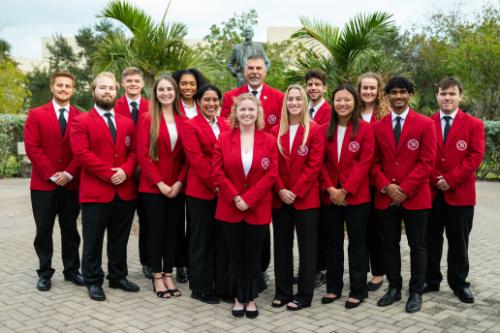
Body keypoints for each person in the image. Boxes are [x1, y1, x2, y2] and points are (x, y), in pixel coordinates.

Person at [70, 72, 139, 301]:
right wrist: (111, 174)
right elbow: (82, 154)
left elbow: (134, 152)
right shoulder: (80, 121)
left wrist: (126, 171)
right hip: (96, 193)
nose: (107, 91)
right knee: (93, 240)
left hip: (124, 192)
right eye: (102, 88)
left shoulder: (127, 123)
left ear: (116, 92)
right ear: (93, 91)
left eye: (111, 88)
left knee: (119, 238)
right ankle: (93, 280)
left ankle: (118, 277)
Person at [371, 76, 436, 313]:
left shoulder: (425, 124)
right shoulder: (378, 127)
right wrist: (387, 187)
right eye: (394, 92)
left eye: (402, 92)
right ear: (387, 96)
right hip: (386, 196)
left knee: (418, 245)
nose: (398, 96)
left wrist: (405, 189)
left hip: (416, 197)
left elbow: (427, 162)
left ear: (410, 94)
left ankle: (416, 291)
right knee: (390, 245)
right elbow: (373, 163)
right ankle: (394, 288)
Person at [212, 93, 278, 318]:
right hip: (230, 207)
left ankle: (251, 299)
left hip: (258, 207)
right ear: (235, 113)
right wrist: (235, 197)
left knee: (252, 255)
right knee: (235, 254)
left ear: (258, 112)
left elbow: (272, 174)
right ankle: (238, 298)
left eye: (251, 109)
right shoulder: (223, 138)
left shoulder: (268, 139)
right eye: (243, 110)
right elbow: (217, 172)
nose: (247, 113)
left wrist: (249, 198)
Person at [221, 54, 284, 282]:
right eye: (250, 68)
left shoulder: (278, 97)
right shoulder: (231, 97)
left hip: (263, 174)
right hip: (236, 169)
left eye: (259, 67)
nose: (255, 71)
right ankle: (239, 280)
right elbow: (225, 129)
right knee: (236, 240)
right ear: (244, 70)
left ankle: (261, 270)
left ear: (265, 69)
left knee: (261, 233)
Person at [425, 76, 485, 303]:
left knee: (459, 242)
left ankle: (459, 283)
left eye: (452, 93)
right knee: (431, 240)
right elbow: (423, 157)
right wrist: (435, 178)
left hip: (460, 194)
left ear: (460, 96)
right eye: (443, 93)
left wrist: (449, 179)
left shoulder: (474, 124)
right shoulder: (426, 122)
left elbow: (475, 157)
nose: (447, 97)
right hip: (431, 194)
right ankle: (431, 280)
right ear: (437, 96)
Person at [24, 70, 85, 291]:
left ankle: (72, 271)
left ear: (73, 89)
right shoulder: (36, 114)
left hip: (71, 184)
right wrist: (52, 173)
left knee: (70, 229)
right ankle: (44, 272)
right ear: (52, 87)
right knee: (43, 230)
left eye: (68, 86)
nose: (63, 89)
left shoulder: (81, 116)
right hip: (43, 184)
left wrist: (68, 173)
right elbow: (33, 148)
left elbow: (82, 151)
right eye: (59, 85)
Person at [319, 84, 374, 309]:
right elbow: (319, 162)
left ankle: (358, 290)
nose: (343, 104)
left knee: (357, 245)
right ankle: (333, 287)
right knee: (333, 243)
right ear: (333, 103)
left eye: (347, 100)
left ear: (355, 102)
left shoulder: (366, 129)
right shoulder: (323, 129)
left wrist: (346, 189)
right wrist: (331, 189)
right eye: (339, 100)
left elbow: (365, 162)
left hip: (357, 197)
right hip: (330, 196)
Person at [270, 85, 324, 311]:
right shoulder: (274, 131)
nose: (293, 103)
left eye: (298, 99)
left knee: (307, 247)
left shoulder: (314, 130)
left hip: (306, 199)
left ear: (304, 102)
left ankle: (304, 294)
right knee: (282, 246)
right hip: (280, 198)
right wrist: (281, 189)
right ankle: (283, 291)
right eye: (290, 99)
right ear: (285, 103)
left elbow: (314, 166)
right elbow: (272, 166)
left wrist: (296, 191)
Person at [137, 74, 188, 298]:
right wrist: (160, 183)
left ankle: (169, 273)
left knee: (172, 232)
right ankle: (157, 276)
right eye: (161, 90)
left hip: (176, 186)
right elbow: (143, 155)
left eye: (169, 89)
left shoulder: (183, 119)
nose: (165, 93)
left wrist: (178, 182)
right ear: (155, 93)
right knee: (156, 232)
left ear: (175, 93)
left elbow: (188, 156)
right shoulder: (148, 118)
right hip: (153, 187)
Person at [180, 84, 230, 304]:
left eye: (215, 100)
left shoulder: (226, 124)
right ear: (199, 102)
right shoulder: (190, 126)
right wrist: (217, 184)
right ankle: (200, 287)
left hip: (224, 192)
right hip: (202, 191)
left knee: (222, 240)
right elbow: (197, 160)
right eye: (206, 100)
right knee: (201, 240)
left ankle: (221, 285)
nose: (211, 104)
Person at [114, 67, 152, 280]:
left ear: (142, 83)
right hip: (124, 175)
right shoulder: (115, 106)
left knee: (147, 222)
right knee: (122, 224)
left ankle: (147, 262)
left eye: (137, 81)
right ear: (122, 83)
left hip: (147, 175)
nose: (133, 84)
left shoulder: (151, 106)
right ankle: (119, 268)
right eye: (129, 81)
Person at [171, 68, 207, 284]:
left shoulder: (204, 106)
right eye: (183, 84)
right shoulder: (173, 108)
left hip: (197, 175)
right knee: (177, 223)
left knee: (195, 224)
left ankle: (195, 264)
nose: (188, 88)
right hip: (175, 174)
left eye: (192, 84)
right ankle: (180, 265)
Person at [357, 72, 390, 292]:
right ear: (358, 90)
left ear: (378, 91)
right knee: (361, 231)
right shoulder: (352, 113)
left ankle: (378, 273)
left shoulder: (385, 115)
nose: (368, 91)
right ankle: (359, 271)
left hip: (378, 182)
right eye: (364, 88)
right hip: (356, 182)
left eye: (372, 88)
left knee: (377, 231)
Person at [304, 69, 331, 288]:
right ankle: (310, 268)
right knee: (310, 229)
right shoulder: (302, 110)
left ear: (325, 88)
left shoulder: (330, 112)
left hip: (324, 176)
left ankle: (321, 268)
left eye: (317, 84)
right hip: (305, 179)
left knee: (323, 228)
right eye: (310, 84)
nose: (313, 88)